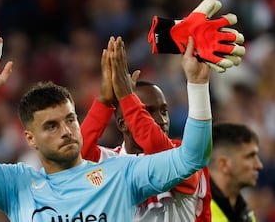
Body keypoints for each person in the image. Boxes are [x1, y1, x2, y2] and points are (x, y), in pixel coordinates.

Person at [0, 31, 211, 222]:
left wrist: (197, 85)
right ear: (30, 138)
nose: (66, 131)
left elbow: (192, 158)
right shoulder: (17, 186)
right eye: (51, 126)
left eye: (70, 120)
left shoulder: (122, 173)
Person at [80, 36, 211, 222]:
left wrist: (126, 96)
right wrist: (103, 100)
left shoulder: (184, 155)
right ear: (122, 123)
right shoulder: (107, 162)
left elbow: (158, 149)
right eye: (147, 112)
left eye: (164, 111)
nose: (161, 120)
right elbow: (74, 158)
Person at [209, 122, 263, 222]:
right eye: (250, 156)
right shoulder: (196, 211)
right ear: (223, 164)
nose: (259, 165)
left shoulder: (246, 213)